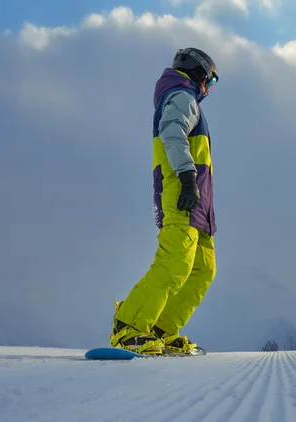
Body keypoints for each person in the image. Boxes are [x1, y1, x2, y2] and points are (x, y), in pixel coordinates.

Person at [109, 48, 220, 355]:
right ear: (199, 74)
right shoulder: (181, 96)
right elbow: (172, 133)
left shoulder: (185, 99)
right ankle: (129, 326)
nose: (208, 89)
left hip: (199, 200)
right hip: (183, 192)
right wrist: (186, 178)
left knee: (202, 269)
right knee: (174, 264)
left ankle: (160, 328)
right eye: (210, 81)